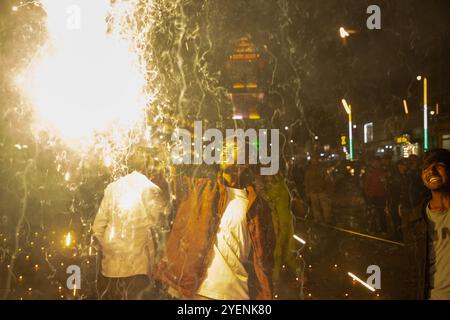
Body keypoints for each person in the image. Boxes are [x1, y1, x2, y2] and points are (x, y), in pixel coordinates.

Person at [153, 136, 275, 300]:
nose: (225, 149)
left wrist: (264, 291)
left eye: (233, 147)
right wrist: (161, 152)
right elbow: (163, 181)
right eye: (224, 147)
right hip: (198, 291)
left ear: (245, 162)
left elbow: (264, 255)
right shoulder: (201, 189)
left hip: (235, 294)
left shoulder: (255, 205)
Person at [92, 147, 169, 299]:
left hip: (110, 270)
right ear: (146, 166)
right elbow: (161, 227)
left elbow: (97, 228)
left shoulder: (112, 188)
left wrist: (108, 250)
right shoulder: (152, 189)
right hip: (138, 269)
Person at [404, 148, 450, 299]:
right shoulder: (415, 218)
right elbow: (413, 270)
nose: (432, 172)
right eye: (426, 168)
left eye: (438, 165)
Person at [304, 156, 332, 224]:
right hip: (314, 191)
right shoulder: (310, 170)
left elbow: (327, 180)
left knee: (324, 206)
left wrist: (327, 190)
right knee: (316, 206)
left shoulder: (321, 169)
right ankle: (318, 219)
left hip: (321, 190)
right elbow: (306, 182)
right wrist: (307, 191)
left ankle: (326, 219)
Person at [363, 157, 387, 234]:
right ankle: (373, 228)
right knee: (373, 212)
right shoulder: (369, 172)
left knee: (381, 212)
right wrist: (367, 195)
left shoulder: (383, 171)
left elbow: (385, 183)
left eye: (377, 162)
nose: (376, 164)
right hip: (372, 195)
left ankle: (383, 229)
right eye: (374, 162)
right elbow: (366, 184)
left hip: (380, 195)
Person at [386, 159, 409, 239]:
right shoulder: (396, 176)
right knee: (396, 217)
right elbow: (392, 190)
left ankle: (400, 233)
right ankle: (398, 233)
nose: (405, 166)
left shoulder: (405, 175)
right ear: (399, 166)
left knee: (402, 217)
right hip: (396, 200)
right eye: (404, 165)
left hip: (403, 200)